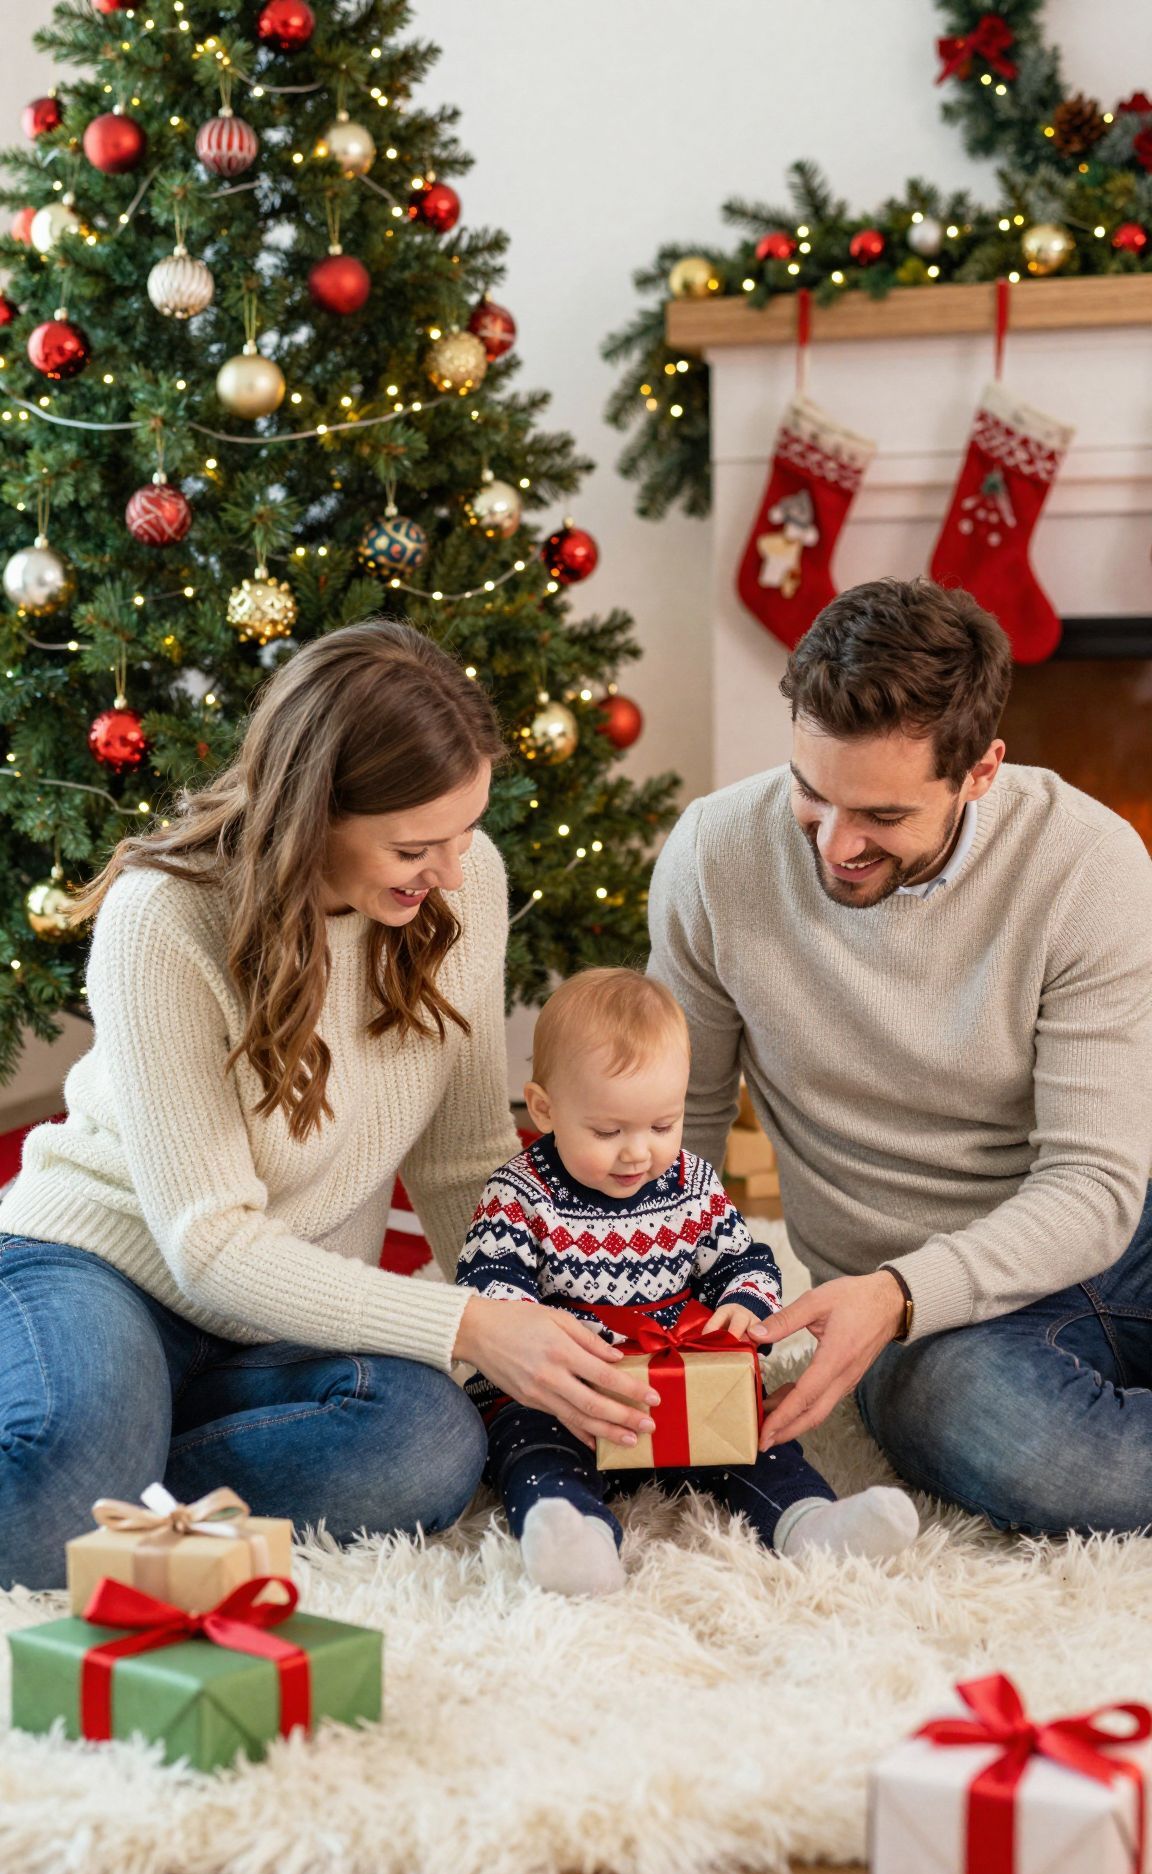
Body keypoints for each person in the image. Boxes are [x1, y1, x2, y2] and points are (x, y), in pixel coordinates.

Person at [0, 622, 646, 1591]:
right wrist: (470, 1325)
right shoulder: (165, 915)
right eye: (417, 844)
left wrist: (558, 1317)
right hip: (106, 1265)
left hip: (277, 1312)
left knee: (425, 1443)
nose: (456, 873)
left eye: (466, 833)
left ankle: (113, 1453)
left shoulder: (455, 895)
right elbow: (208, 1244)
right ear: (314, 814)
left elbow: (463, 1157)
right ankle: (87, 1440)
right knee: (52, 1490)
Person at [648, 577, 1152, 1538]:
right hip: (923, 1315)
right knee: (1028, 1445)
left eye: (881, 815)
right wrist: (667, 1319)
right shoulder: (715, 856)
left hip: (1118, 1236)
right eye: (811, 791)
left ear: (980, 772)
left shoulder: (1088, 864)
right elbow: (684, 1134)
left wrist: (900, 1292)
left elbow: (1095, 1184)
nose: (836, 844)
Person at [456, 968, 918, 1595]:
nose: (637, 1153)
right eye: (607, 1131)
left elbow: (741, 1256)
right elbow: (491, 1288)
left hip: (679, 1382)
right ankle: (572, 1538)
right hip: (572, 1390)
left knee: (755, 1440)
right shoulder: (519, 1194)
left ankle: (810, 1523)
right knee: (531, 1445)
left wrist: (739, 1302)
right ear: (544, 1108)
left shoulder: (692, 1183)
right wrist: (533, 1332)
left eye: (661, 1125)